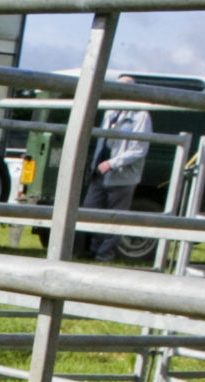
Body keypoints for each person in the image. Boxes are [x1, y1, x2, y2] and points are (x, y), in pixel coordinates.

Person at [81, 75, 153, 263]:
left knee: (114, 216)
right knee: (91, 211)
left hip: (122, 176)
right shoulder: (110, 112)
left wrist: (112, 163)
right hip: (99, 173)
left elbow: (139, 149)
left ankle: (104, 255)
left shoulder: (140, 115)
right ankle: (94, 249)